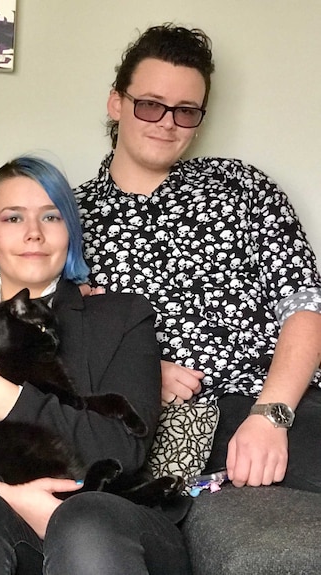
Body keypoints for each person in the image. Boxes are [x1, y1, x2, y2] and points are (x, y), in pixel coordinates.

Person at [0, 155, 190, 575]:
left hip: (110, 520)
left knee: (85, 522)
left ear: (70, 230)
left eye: (51, 217)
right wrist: (7, 495)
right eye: (13, 218)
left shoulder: (124, 316)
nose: (33, 234)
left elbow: (120, 448)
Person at [75, 24, 321, 492]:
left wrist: (271, 415)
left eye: (185, 111)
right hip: (147, 432)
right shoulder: (63, 219)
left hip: (268, 407)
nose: (167, 122)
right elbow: (47, 341)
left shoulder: (244, 187)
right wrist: (138, 374)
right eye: (150, 104)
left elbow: (307, 305)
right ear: (116, 103)